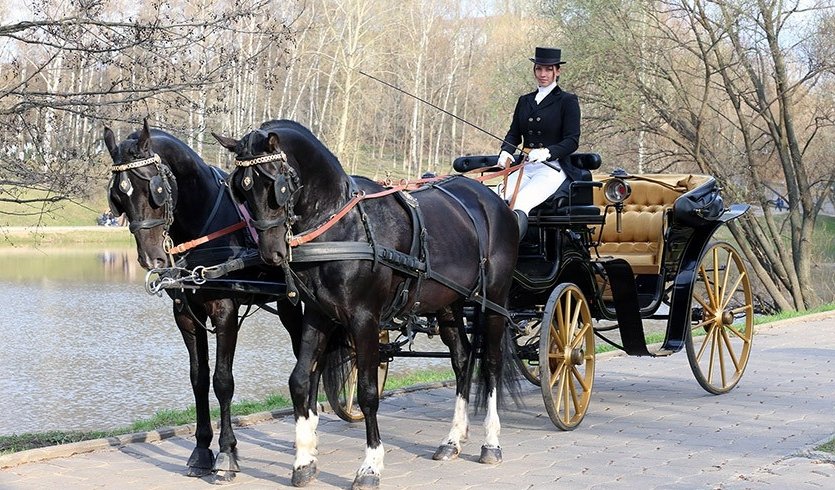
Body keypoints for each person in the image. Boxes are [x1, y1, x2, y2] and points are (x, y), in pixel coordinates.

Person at [497, 46, 581, 238]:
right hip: (526, 166)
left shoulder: (567, 101)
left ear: (557, 71)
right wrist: (506, 151)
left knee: (520, 203)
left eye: (548, 69)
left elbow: (572, 140)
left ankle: (512, 250)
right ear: (534, 70)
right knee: (495, 198)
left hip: (552, 169)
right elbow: (514, 134)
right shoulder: (524, 101)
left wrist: (547, 152)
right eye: (539, 69)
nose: (543, 74)